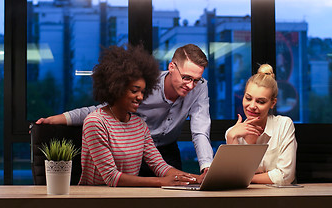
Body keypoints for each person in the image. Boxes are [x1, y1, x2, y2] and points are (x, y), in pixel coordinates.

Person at [36, 44, 213, 177]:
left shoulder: (199, 88)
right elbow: (100, 110)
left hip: (165, 150)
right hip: (133, 152)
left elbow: (200, 130)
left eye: (196, 80)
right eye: (186, 78)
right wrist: (57, 119)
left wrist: (205, 169)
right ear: (171, 67)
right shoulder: (144, 85)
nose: (191, 85)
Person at [79, 45, 197, 187]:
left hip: (129, 198)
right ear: (116, 88)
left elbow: (160, 166)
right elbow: (111, 177)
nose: (140, 97)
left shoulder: (139, 124)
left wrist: (195, 179)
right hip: (94, 200)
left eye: (143, 92)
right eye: (135, 91)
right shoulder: (95, 122)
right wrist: (161, 182)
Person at [225, 64, 297, 185]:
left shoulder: (284, 125)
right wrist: (232, 138)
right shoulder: (233, 133)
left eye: (260, 101)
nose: (252, 106)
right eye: (248, 98)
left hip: (279, 199)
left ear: (272, 103)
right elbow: (233, 179)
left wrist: (246, 178)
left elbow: (286, 176)